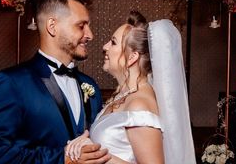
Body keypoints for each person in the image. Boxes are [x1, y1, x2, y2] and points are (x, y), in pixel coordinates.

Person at [0, 0, 110, 164]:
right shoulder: (11, 83)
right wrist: (62, 159)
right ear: (52, 26)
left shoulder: (90, 85)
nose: (90, 35)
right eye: (81, 26)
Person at [65, 11, 196, 164]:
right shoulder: (123, 95)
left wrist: (97, 154)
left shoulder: (139, 104)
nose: (105, 46)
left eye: (113, 42)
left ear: (133, 57)